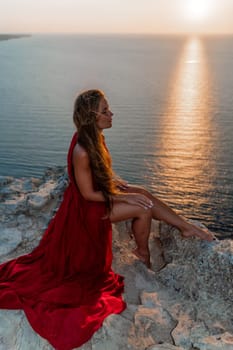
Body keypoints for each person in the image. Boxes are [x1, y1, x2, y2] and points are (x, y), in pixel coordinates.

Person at [0, 89, 214, 350]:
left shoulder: (95, 138)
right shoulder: (81, 149)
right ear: (92, 117)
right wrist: (123, 199)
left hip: (98, 197)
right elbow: (88, 194)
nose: (111, 114)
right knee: (143, 207)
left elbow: (99, 175)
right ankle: (143, 254)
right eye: (105, 110)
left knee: (144, 193)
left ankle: (186, 226)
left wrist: (116, 183)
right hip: (83, 213)